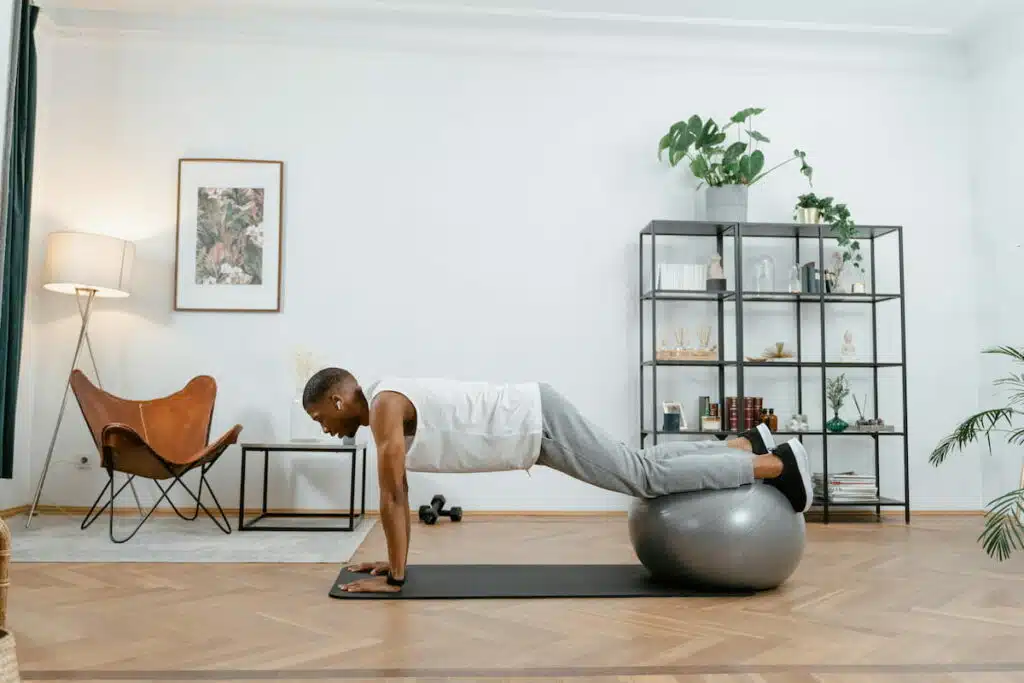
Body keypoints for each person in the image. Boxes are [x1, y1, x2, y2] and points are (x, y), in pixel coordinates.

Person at [302, 368, 813, 594]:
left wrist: (395, 576)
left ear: (341, 401)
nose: (324, 427)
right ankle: (745, 446)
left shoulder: (385, 406)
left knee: (643, 476)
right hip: (534, 426)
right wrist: (392, 563)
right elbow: (397, 496)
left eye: (321, 417)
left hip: (536, 425)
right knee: (639, 462)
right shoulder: (385, 401)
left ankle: (776, 467)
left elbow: (394, 494)